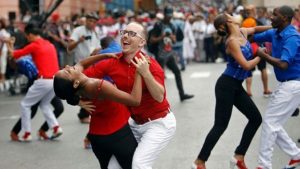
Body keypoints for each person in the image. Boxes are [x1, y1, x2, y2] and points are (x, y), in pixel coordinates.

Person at [76, 21, 176, 169]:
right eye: (124, 33)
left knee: (139, 164)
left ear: (141, 42)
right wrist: (76, 101)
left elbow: (159, 96)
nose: (125, 37)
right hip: (134, 123)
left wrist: (145, 73)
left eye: (132, 34)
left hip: (158, 123)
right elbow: (78, 78)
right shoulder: (113, 61)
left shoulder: (152, 65)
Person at [192, 13, 271, 169]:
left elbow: (256, 28)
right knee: (220, 125)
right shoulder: (232, 42)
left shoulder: (242, 31)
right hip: (226, 86)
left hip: (236, 86)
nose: (235, 15)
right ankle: (199, 162)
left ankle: (238, 157)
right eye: (231, 15)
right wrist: (261, 55)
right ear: (229, 21)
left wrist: (275, 28)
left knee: (255, 118)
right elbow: (246, 65)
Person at [53, 52, 144, 169]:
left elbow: (81, 63)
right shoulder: (98, 86)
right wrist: (139, 73)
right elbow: (135, 100)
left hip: (97, 139)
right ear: (75, 83)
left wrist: (104, 56)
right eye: (67, 71)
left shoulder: (76, 88)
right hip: (118, 135)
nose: (67, 66)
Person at [252, 6, 300, 169]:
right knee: (273, 122)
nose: (271, 17)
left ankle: (264, 165)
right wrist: (237, 31)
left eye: (275, 15)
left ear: (286, 18)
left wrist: (263, 55)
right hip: (287, 84)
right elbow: (253, 37)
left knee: (270, 123)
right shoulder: (274, 32)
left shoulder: (292, 37)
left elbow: (284, 64)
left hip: (294, 84)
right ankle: (295, 155)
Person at [7, 24, 62, 142]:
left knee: (25, 105)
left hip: (43, 81)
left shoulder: (34, 45)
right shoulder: (50, 45)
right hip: (55, 81)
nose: (27, 39)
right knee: (44, 104)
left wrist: (9, 44)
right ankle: (56, 127)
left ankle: (27, 133)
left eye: (27, 36)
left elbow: (13, 54)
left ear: (31, 35)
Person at [148, 6, 194, 101]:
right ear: (164, 14)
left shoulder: (173, 26)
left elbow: (174, 40)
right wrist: (162, 37)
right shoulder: (158, 25)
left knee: (177, 72)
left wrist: (173, 39)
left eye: (170, 15)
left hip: (169, 54)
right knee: (160, 77)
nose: (169, 17)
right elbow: (152, 40)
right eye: (167, 15)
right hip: (160, 55)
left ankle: (182, 94)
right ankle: (159, 99)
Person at [68, 12, 101, 124]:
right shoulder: (78, 30)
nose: (91, 23)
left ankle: (84, 114)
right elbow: (69, 47)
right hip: (79, 66)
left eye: (93, 21)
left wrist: (97, 52)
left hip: (91, 66)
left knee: (89, 90)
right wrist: (79, 41)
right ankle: (83, 114)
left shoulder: (95, 33)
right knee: (81, 90)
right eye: (89, 20)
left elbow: (97, 48)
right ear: (85, 20)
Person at [242, 4, 272, 97]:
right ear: (253, 11)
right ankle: (266, 89)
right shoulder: (257, 22)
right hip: (259, 47)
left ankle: (249, 91)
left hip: (249, 48)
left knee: (249, 70)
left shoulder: (244, 22)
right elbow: (264, 33)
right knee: (263, 68)